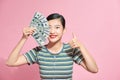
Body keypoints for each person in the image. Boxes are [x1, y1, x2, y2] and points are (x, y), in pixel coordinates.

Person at [6, 13, 98, 80]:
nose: (52, 31)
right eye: (49, 27)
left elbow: (94, 69)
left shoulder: (70, 50)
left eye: (57, 27)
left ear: (64, 30)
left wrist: (82, 47)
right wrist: (24, 38)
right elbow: (10, 62)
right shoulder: (39, 51)